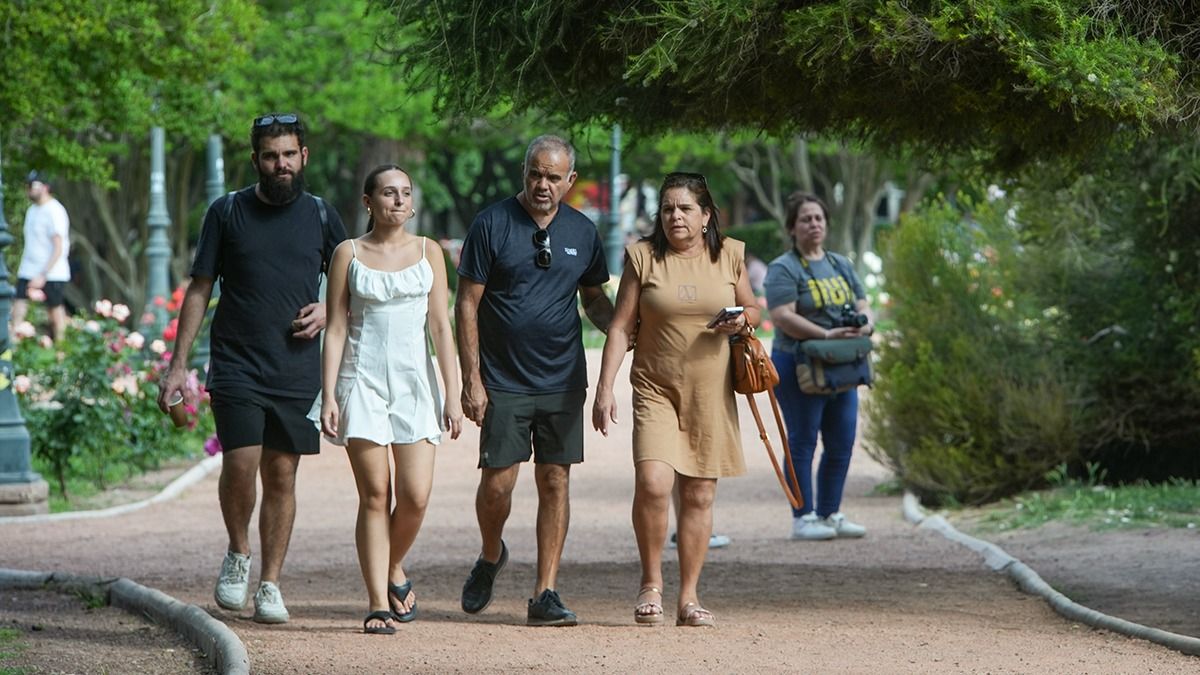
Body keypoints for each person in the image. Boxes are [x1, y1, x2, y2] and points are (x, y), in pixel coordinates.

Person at [157, 112, 347, 623]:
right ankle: (239, 553)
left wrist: (330, 307)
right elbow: (200, 286)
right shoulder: (226, 212)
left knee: (282, 475)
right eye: (270, 156)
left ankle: (271, 584)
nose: (280, 164)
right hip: (237, 360)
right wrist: (177, 366)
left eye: (289, 155)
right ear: (255, 160)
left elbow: (352, 278)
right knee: (240, 464)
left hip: (297, 366)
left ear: (303, 157)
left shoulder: (323, 216)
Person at [455, 134, 613, 627]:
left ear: (570, 181)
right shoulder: (492, 223)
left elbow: (594, 301)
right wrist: (471, 379)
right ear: (524, 172)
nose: (542, 184)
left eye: (553, 177)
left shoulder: (584, 231)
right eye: (535, 174)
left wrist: (629, 329)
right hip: (502, 380)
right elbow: (466, 304)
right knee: (497, 485)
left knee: (555, 479)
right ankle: (489, 553)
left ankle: (545, 592)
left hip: (562, 380)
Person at [593, 172, 759, 627]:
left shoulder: (730, 255)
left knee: (700, 494)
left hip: (711, 390)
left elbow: (755, 309)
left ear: (706, 216)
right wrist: (605, 388)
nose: (675, 217)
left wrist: (742, 320)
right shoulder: (642, 257)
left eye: (685, 209)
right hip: (655, 387)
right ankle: (652, 582)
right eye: (668, 209)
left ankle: (689, 596)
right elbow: (621, 326)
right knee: (652, 482)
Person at [318, 165, 463, 634]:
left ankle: (392, 564)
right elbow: (336, 327)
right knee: (376, 494)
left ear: (412, 203)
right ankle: (378, 601)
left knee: (416, 496)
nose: (397, 201)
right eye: (387, 193)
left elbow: (441, 325)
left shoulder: (430, 253)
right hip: (360, 381)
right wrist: (328, 396)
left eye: (404, 193)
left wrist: (453, 393)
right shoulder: (348, 253)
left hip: (415, 383)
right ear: (368, 202)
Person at [764, 192, 874, 541]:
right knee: (802, 440)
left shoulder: (840, 263)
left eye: (819, 219)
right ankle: (803, 516)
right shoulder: (784, 267)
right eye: (806, 219)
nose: (814, 224)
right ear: (792, 227)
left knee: (841, 440)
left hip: (842, 364)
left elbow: (864, 303)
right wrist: (826, 334)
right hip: (799, 363)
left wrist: (865, 325)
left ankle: (831, 513)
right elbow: (782, 316)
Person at [13, 170, 71, 341]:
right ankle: (12, 349)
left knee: (55, 312)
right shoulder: (32, 210)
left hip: (52, 272)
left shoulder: (54, 210)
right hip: (28, 269)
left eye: (33, 186)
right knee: (18, 307)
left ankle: (62, 352)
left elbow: (58, 247)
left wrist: (43, 274)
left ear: (45, 187)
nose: (29, 190)